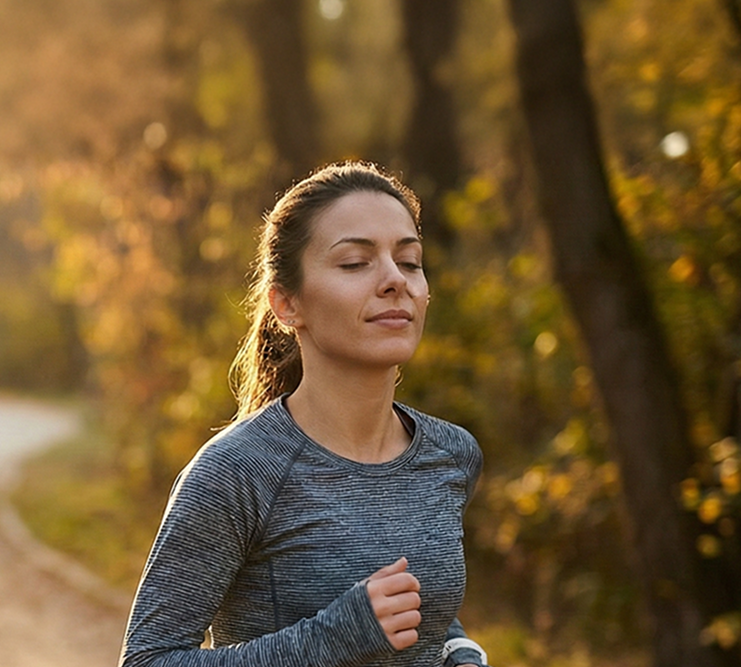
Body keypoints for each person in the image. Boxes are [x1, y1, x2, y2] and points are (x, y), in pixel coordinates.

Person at [119, 161, 489, 667]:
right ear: (287, 305)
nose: (393, 281)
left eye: (409, 261)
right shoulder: (238, 471)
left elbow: (427, 607)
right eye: (355, 263)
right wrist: (334, 636)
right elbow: (147, 659)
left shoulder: (451, 455)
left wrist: (460, 652)